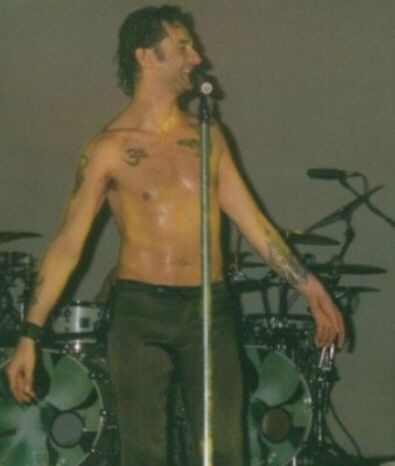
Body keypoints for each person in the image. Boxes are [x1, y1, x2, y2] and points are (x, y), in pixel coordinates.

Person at [4, 5, 345, 466]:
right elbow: (67, 245)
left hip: (209, 308)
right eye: (183, 46)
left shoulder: (208, 136)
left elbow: (255, 223)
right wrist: (30, 334)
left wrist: (311, 288)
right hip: (140, 311)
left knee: (225, 449)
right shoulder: (110, 148)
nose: (197, 57)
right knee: (145, 451)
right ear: (146, 56)